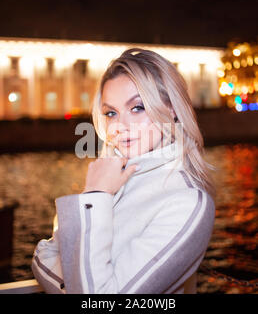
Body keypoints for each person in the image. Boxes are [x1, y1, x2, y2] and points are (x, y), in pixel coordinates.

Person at [32, 48, 216, 294]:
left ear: (171, 108)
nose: (120, 126)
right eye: (111, 113)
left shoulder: (188, 201)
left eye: (137, 108)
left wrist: (96, 193)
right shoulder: (113, 178)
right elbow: (42, 255)